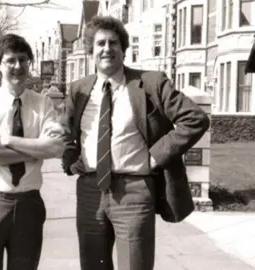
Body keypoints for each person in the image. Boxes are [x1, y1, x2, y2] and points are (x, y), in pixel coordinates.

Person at [61, 16, 210, 270]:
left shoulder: (151, 83)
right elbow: (64, 132)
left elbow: (195, 118)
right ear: (91, 51)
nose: (107, 49)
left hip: (134, 192)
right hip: (89, 191)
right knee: (92, 265)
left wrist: (157, 155)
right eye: (100, 44)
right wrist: (69, 159)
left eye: (113, 43)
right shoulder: (79, 90)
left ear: (123, 49)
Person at [0, 33, 64, 270]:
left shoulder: (43, 104)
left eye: (23, 59)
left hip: (28, 205)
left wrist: (8, 140)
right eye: (10, 60)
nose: (18, 66)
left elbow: (56, 147)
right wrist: (35, 150)